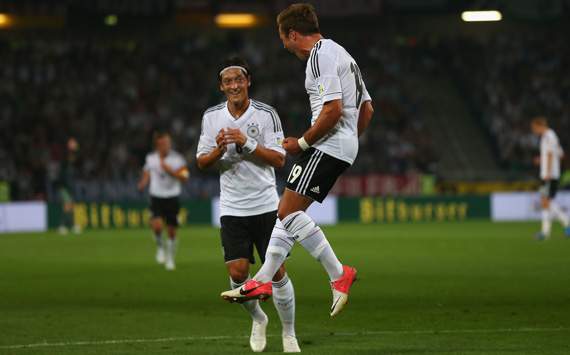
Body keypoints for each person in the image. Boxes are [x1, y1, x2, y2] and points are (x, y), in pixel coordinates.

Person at [221, 3, 374, 318]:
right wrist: (349, 140)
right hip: (340, 144)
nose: (284, 46)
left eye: (283, 38)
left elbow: (331, 109)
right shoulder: (342, 54)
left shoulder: (320, 56)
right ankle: (262, 281)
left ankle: (338, 273)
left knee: (288, 212)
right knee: (285, 212)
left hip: (328, 144)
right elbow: (367, 110)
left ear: (292, 34)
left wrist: (303, 142)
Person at [197, 56, 300, 353]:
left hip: (267, 205)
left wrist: (247, 142)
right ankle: (258, 319)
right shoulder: (212, 117)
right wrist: (218, 150)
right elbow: (201, 162)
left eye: (238, 80)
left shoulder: (267, 114)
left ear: (248, 82)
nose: (234, 85)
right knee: (239, 274)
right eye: (228, 81)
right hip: (232, 208)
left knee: (277, 272)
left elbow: (280, 159)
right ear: (221, 86)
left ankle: (290, 333)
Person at [137, 132, 189, 270]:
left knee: (171, 230)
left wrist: (171, 171)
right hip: (156, 196)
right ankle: (160, 246)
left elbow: (185, 177)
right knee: (158, 226)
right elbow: (147, 173)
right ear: (158, 145)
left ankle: (170, 259)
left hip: (172, 196)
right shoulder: (151, 158)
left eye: (168, 143)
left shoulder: (177, 159)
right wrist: (142, 183)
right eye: (163, 143)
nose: (166, 145)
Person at [530, 117, 570, 239]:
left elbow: (550, 154)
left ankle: (547, 232)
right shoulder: (551, 136)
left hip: (549, 174)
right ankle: (549, 231)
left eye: (534, 128)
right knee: (546, 201)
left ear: (539, 126)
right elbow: (561, 154)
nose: (533, 131)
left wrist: (547, 171)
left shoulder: (548, 136)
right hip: (551, 173)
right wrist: (541, 159)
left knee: (545, 201)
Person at [57, 137, 82, 235]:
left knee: (70, 206)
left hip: (69, 187)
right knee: (68, 206)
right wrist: (71, 149)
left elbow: (76, 158)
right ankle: (62, 226)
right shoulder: (65, 162)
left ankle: (70, 225)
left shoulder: (71, 165)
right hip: (64, 187)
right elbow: (69, 158)